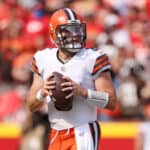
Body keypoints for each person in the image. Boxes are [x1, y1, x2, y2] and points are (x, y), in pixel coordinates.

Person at [27, 8, 117, 150]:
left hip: (83, 131)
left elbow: (111, 103)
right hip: (55, 133)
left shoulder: (93, 58)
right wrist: (42, 93)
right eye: (67, 31)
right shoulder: (42, 59)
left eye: (77, 30)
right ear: (53, 33)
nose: (74, 35)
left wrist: (82, 92)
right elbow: (31, 105)